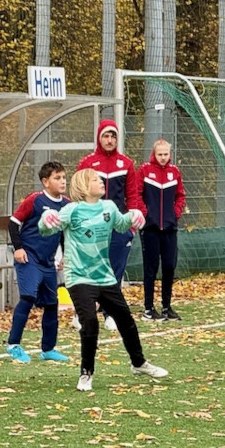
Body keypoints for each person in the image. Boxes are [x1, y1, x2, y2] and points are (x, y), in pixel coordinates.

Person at [39, 168, 169, 392]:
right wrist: (45, 219)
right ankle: (86, 373)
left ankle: (139, 364)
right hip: (79, 277)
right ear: (83, 186)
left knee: (126, 321)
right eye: (96, 180)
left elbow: (121, 223)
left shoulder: (108, 207)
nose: (102, 182)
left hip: (105, 276)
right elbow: (46, 229)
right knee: (89, 322)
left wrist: (134, 217)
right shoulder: (72, 210)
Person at [5, 161, 71, 364]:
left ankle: (48, 349)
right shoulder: (35, 200)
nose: (62, 181)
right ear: (45, 181)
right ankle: (13, 345)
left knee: (52, 303)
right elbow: (13, 223)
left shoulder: (66, 204)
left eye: (63, 178)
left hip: (48, 261)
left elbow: (63, 232)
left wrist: (65, 255)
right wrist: (18, 248)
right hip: (29, 258)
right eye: (57, 178)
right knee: (28, 297)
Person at [77, 120, 135, 330]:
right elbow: (78, 194)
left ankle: (110, 313)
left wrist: (131, 225)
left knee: (114, 271)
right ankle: (83, 312)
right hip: (93, 226)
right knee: (90, 268)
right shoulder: (88, 162)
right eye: (106, 136)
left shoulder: (126, 163)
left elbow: (133, 195)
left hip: (118, 228)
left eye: (113, 136)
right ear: (99, 138)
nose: (109, 140)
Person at [128, 139, 187, 322]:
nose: (163, 158)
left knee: (169, 266)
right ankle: (148, 308)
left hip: (170, 228)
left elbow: (180, 196)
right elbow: (136, 193)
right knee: (150, 269)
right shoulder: (145, 170)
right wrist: (145, 214)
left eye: (166, 154)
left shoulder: (174, 172)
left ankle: (167, 307)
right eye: (160, 154)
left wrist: (175, 213)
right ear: (154, 154)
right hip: (150, 229)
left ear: (170, 154)